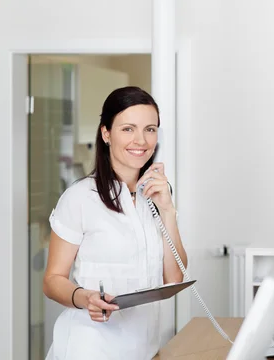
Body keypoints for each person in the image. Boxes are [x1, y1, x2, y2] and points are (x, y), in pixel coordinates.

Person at [43, 86, 188, 360]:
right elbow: (52, 280)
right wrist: (85, 297)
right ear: (106, 133)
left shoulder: (156, 194)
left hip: (146, 348)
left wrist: (168, 210)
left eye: (150, 129)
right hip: (90, 347)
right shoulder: (80, 197)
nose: (141, 140)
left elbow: (174, 277)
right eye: (128, 129)